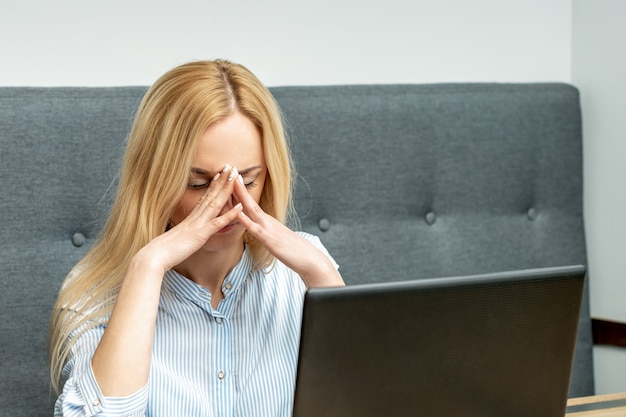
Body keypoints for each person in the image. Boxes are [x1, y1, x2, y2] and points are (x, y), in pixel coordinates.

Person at [48, 59, 344, 416]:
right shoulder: (93, 295)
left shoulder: (305, 268)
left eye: (248, 180)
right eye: (199, 184)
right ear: (155, 180)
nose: (226, 203)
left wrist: (322, 276)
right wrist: (147, 266)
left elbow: (376, 400)